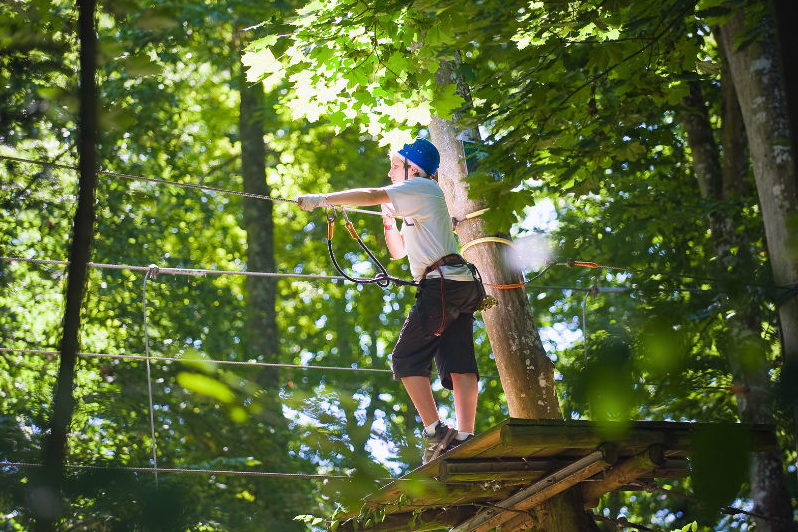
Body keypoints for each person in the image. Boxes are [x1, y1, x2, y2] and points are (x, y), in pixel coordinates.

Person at [298, 137, 484, 464]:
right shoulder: (422, 196)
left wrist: (323, 199)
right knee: (459, 363)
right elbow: (398, 253)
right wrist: (389, 221)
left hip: (440, 286)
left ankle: (435, 432)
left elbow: (371, 194)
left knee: (406, 359)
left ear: (414, 169)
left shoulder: (421, 187)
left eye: (395, 165)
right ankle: (465, 437)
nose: (389, 171)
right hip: (459, 285)